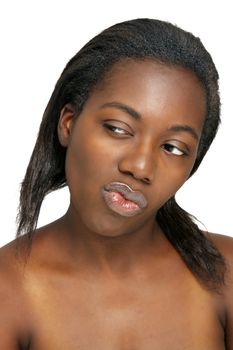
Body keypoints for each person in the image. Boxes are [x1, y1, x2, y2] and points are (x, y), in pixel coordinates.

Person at [0, 18, 232, 349]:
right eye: (118, 128)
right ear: (68, 123)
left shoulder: (226, 274)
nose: (139, 167)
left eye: (173, 148)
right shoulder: (8, 290)